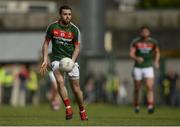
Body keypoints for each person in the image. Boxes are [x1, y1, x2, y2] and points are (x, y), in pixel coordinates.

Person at [40, 5, 88, 120]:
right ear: (60, 15)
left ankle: (82, 110)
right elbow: (46, 43)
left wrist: (72, 61)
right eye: (65, 14)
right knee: (60, 81)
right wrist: (45, 59)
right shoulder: (52, 27)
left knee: (76, 90)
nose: (68, 16)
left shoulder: (75, 30)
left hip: (70, 61)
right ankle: (68, 108)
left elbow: (77, 48)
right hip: (57, 60)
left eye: (69, 14)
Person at [129, 26, 160, 114]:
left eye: (146, 31)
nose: (145, 33)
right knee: (137, 88)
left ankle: (150, 106)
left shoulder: (153, 42)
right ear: (140, 33)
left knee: (149, 86)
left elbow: (157, 52)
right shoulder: (136, 42)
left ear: (149, 33)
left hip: (148, 66)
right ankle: (136, 106)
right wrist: (136, 58)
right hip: (138, 67)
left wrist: (156, 61)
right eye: (143, 31)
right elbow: (131, 53)